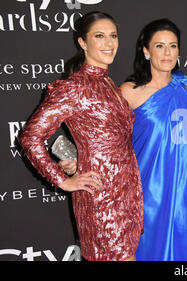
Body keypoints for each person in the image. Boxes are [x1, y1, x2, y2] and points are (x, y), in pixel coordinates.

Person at [19, 11, 143, 261]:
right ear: (82, 42)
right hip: (101, 196)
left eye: (113, 36)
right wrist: (62, 180)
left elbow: (105, 138)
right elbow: (30, 137)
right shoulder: (74, 87)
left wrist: (80, 158)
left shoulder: (110, 85)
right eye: (100, 36)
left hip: (127, 192)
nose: (109, 43)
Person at [120, 18, 187, 261]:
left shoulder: (184, 88)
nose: (167, 53)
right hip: (148, 192)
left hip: (184, 191)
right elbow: (111, 143)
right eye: (159, 46)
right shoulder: (129, 91)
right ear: (146, 51)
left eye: (173, 46)